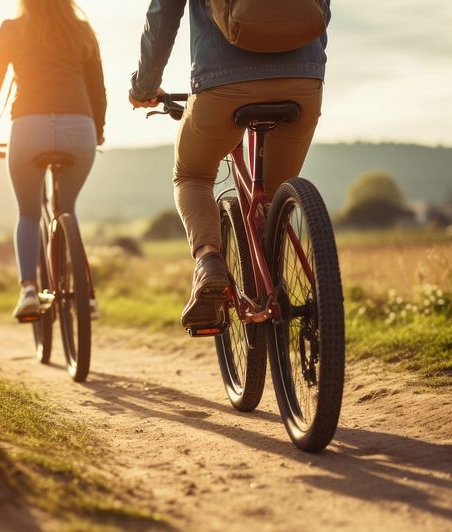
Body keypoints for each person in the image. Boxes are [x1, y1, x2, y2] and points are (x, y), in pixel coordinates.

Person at [129, 0, 330, 331]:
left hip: (221, 84)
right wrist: (309, 63)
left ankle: (208, 261)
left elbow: (162, 17)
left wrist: (145, 87)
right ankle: (275, 274)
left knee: (191, 174)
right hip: (303, 82)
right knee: (275, 197)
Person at [0, 0, 106, 322]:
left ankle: (28, 289)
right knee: (66, 209)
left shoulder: (12, 29)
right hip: (80, 127)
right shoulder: (81, 29)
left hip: (28, 128)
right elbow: (97, 88)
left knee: (28, 213)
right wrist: (98, 132)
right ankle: (87, 296)